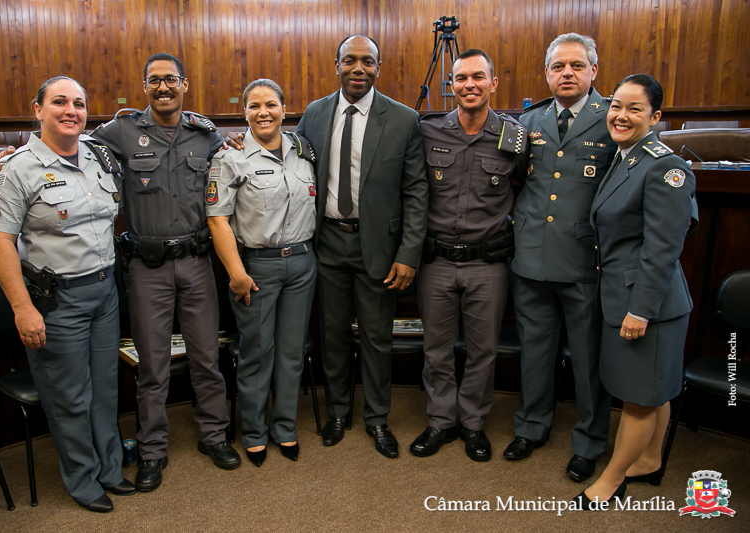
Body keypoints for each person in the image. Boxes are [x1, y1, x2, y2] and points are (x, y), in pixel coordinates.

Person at [0, 54, 242, 488]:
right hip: (146, 268)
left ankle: (214, 435)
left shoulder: (205, 135)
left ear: (184, 85)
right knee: (152, 365)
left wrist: (240, 142)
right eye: (154, 80)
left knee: (207, 357)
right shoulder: (118, 132)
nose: (163, 87)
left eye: (171, 80)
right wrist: (10, 154)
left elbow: (232, 158)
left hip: (197, 262)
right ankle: (152, 450)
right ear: (145, 86)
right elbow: (61, 141)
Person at [0, 76, 133, 513]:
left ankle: (109, 469)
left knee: (104, 389)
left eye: (79, 104)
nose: (71, 111)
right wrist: (22, 308)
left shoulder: (100, 155)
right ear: (38, 109)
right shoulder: (16, 168)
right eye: (60, 102)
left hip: (104, 292)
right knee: (70, 396)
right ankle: (82, 479)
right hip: (56, 300)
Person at [296, 35, 428, 458]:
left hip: (381, 249)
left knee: (376, 338)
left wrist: (408, 254)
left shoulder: (404, 119)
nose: (358, 68)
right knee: (332, 335)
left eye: (367, 61)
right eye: (349, 60)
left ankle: (377, 418)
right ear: (336, 64)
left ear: (378, 67)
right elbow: (288, 158)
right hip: (327, 243)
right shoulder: (314, 114)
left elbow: (416, 192)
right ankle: (338, 413)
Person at [576, 74, 695, 508]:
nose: (621, 116)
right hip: (624, 295)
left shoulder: (665, 166)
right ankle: (648, 460)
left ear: (656, 116)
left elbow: (663, 249)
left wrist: (641, 310)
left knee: (639, 399)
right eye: (616, 106)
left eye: (635, 109)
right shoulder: (627, 156)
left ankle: (611, 481)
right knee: (652, 390)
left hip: (649, 305)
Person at [506, 33, 616, 482]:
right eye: (558, 66)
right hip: (531, 257)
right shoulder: (528, 121)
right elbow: (514, 180)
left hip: (583, 260)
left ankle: (589, 442)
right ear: (547, 73)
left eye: (576, 65)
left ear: (594, 71)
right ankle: (531, 427)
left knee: (589, 359)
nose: (566, 73)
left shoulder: (613, 118)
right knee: (534, 353)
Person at [411, 49, 527, 462]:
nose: (469, 85)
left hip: (487, 264)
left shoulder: (515, 137)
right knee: (436, 350)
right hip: (437, 262)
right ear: (452, 85)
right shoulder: (428, 131)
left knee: (483, 352)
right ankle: (441, 421)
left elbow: (527, 187)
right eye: (461, 78)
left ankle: (473, 424)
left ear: (493, 83)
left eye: (478, 77)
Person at [207, 79, 317, 467]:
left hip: (302, 264)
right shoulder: (230, 157)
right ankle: (254, 432)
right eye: (254, 106)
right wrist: (236, 272)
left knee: (291, 353)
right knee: (257, 351)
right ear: (245, 113)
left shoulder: (304, 152)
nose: (263, 112)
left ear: (285, 109)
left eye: (271, 104)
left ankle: (284, 427)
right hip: (256, 268)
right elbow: (217, 219)